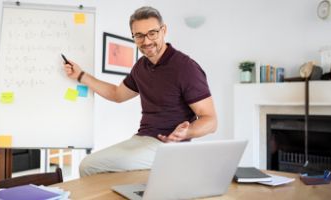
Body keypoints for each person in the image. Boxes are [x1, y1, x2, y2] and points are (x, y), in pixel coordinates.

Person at [63, 6, 217, 177]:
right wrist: (81, 75)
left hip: (169, 147)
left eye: (152, 33)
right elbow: (117, 94)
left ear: (163, 30)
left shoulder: (185, 68)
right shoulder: (141, 67)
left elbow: (211, 121)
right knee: (90, 166)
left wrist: (187, 132)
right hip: (142, 138)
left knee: (89, 165)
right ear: (134, 37)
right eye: (139, 35)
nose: (146, 41)